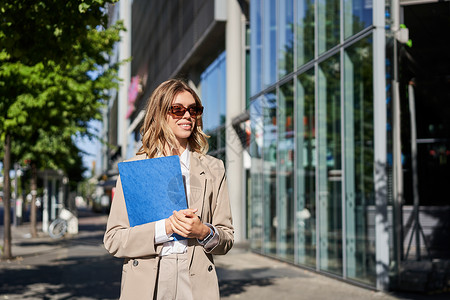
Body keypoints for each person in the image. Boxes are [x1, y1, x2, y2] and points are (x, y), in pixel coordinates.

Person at [103, 79, 234, 300]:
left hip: (195, 280)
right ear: (160, 113)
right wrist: (165, 228)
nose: (187, 116)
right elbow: (114, 240)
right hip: (148, 280)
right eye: (178, 109)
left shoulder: (213, 168)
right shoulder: (135, 168)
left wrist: (202, 232)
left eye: (193, 110)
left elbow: (227, 238)